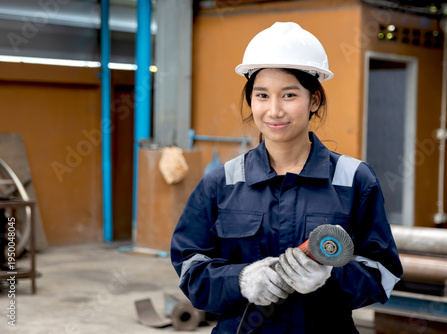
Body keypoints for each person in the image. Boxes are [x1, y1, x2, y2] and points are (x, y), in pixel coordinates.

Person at [170, 22, 403, 333]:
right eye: (262, 95)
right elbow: (190, 268)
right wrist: (239, 280)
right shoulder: (221, 183)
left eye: (289, 95)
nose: (274, 110)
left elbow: (382, 273)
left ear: (314, 100)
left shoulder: (354, 180)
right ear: (250, 100)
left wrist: (330, 278)